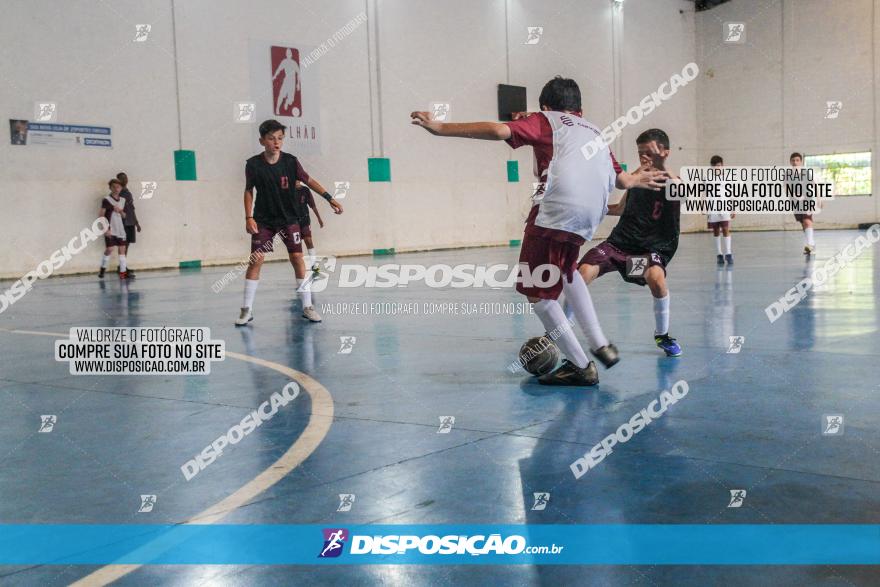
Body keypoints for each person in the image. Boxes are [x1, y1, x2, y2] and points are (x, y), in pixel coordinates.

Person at [411, 76, 668, 386]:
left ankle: (581, 365)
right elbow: (623, 181)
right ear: (580, 109)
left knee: (537, 291)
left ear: (545, 106)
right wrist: (639, 176)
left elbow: (497, 130)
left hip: (557, 209)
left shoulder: (544, 119)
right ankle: (601, 344)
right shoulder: (596, 132)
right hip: (590, 215)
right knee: (567, 272)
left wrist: (439, 128)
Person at [575, 129, 682, 358]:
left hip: (645, 253)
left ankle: (662, 335)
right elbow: (620, 208)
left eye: (650, 153)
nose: (644, 157)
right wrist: (593, 207)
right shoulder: (636, 178)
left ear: (664, 153)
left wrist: (662, 166)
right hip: (618, 247)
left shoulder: (671, 182)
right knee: (581, 274)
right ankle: (560, 331)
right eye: (641, 153)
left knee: (655, 277)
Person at [235, 119, 343, 326]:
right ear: (262, 141)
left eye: (280, 138)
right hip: (264, 220)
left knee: (296, 258)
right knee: (256, 260)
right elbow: (249, 190)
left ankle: (307, 306)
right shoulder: (253, 164)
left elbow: (309, 181)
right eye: (271, 138)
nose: (276, 142)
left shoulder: (291, 162)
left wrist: (330, 198)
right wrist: (248, 217)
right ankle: (246, 310)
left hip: (289, 219)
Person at [706, 155, 734, 265]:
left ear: (722, 166)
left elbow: (730, 193)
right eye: (714, 166)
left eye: (718, 166)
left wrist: (733, 208)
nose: (716, 168)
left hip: (724, 207)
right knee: (716, 231)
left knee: (726, 229)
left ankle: (728, 253)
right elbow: (705, 194)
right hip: (713, 208)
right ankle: (719, 254)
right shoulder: (708, 179)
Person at [99, 179, 129, 279]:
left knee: (122, 251)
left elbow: (124, 216)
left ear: (121, 188)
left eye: (118, 187)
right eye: (114, 187)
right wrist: (105, 229)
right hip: (110, 228)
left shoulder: (123, 200)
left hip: (120, 229)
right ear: (110, 188)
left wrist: (120, 212)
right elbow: (101, 215)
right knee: (109, 249)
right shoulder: (106, 199)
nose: (116, 189)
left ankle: (123, 273)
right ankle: (103, 268)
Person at [294, 180, 325, 271]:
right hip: (293, 222)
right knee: (296, 244)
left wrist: (319, 218)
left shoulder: (305, 190)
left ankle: (314, 264)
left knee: (309, 240)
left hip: (305, 220)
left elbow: (313, 205)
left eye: (297, 178)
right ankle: (300, 267)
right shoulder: (287, 190)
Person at [116, 172, 142, 277]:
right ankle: (122, 268)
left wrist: (136, 222)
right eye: (122, 178)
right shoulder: (118, 194)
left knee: (127, 245)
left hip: (130, 221)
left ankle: (122, 266)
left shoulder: (127, 192)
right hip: (123, 222)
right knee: (123, 245)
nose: (124, 179)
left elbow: (132, 208)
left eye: (125, 177)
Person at [790, 152, 815, 255]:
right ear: (790, 162)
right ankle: (812, 243)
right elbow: (786, 188)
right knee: (803, 223)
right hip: (796, 202)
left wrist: (819, 200)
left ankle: (809, 245)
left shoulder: (806, 173)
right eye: (793, 160)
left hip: (807, 200)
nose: (795, 162)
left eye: (797, 160)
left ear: (801, 161)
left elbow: (814, 185)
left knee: (807, 220)